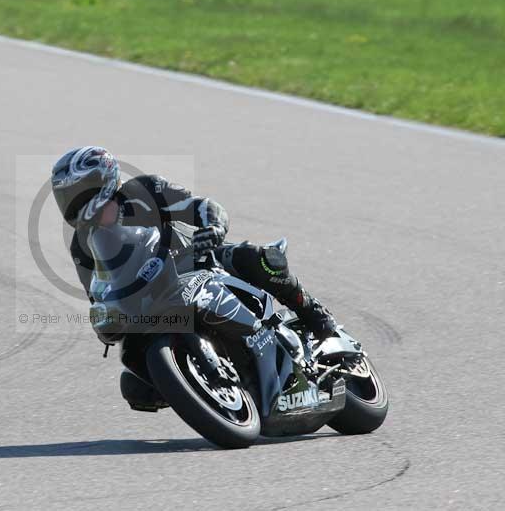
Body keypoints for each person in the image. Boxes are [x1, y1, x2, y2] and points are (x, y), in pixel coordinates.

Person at [51, 146, 338, 409]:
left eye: (78, 193)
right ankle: (192, 383)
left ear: (103, 181)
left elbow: (200, 205)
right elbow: (97, 292)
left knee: (255, 257)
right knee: (136, 385)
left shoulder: (144, 190)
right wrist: (104, 318)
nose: (73, 204)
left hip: (200, 261)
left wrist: (213, 226)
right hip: (151, 298)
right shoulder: (82, 244)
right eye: (66, 198)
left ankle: (314, 313)